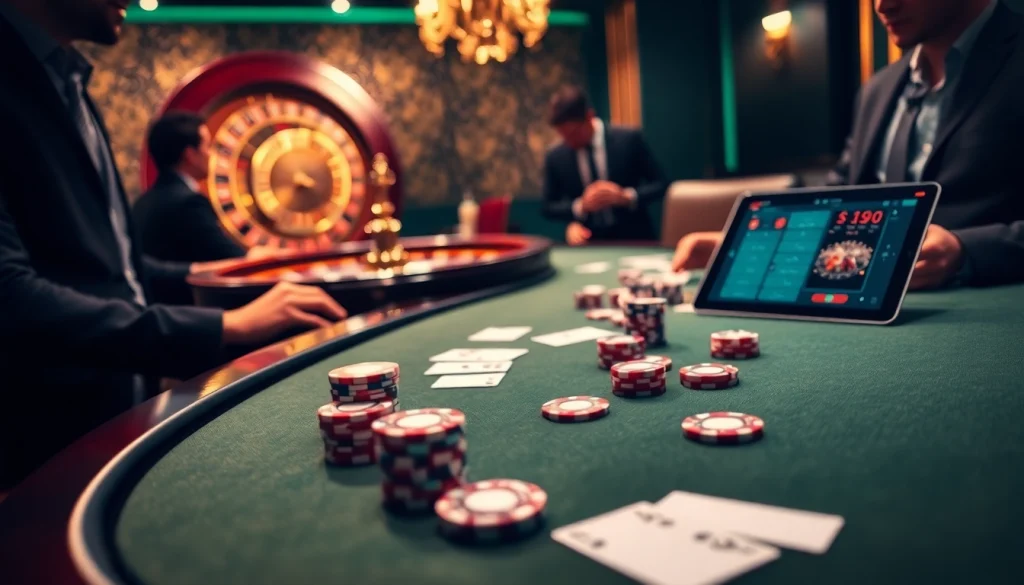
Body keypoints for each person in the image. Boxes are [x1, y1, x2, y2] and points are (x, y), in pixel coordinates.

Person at [0, 0, 348, 488]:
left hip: (118, 401)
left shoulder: (67, 77)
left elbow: (115, 267)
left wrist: (199, 274)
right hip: (44, 434)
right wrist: (227, 324)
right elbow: (11, 298)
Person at [672, 0, 1024, 289]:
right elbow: (841, 198)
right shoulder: (879, 88)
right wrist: (744, 244)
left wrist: (967, 251)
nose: (882, 5)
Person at [541, 85, 668, 246]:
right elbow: (548, 207)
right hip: (587, 244)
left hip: (635, 239)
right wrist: (579, 208)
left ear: (589, 117)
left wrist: (626, 197)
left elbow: (661, 184)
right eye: (563, 136)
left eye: (573, 133)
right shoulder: (556, 155)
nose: (569, 142)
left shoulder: (629, 139)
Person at [134, 111, 266, 263]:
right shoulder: (189, 204)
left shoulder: (142, 203)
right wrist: (261, 256)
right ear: (190, 155)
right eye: (207, 146)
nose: (211, 154)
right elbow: (231, 259)